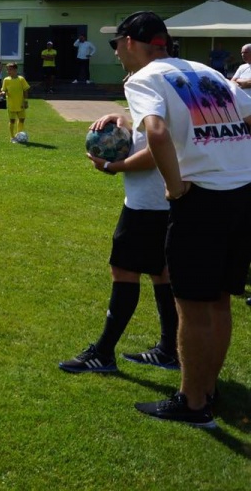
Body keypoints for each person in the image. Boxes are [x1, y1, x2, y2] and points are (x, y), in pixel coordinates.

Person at [112, 11, 251, 428]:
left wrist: (174, 187)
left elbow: (154, 131)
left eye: (115, 45)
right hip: (242, 192)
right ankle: (207, 388)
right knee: (221, 298)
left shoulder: (144, 78)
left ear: (132, 43)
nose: (117, 53)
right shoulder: (206, 71)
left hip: (202, 198)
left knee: (191, 304)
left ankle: (192, 405)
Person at [59, 113, 178, 374]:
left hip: (148, 203)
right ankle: (170, 350)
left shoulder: (149, 80)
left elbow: (155, 150)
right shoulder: (172, 80)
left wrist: (109, 166)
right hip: (163, 199)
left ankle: (103, 353)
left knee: (124, 270)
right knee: (161, 273)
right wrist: (122, 117)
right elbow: (152, 129)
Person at [1, 62, 30, 142]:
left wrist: (25, 101)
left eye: (10, 69)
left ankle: (19, 135)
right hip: (11, 104)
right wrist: (3, 93)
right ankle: (12, 137)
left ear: (15, 70)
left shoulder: (21, 79)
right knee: (12, 121)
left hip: (20, 103)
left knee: (21, 119)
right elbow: (4, 90)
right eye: (8, 70)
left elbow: (25, 90)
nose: (9, 71)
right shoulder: (6, 80)